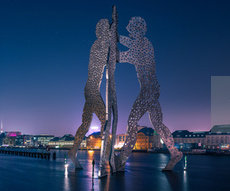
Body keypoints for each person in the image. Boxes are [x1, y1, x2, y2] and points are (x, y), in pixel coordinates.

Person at [115, 17, 183, 171]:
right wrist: (116, 37)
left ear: (137, 29)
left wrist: (113, 55)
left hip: (147, 91)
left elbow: (126, 56)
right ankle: (175, 153)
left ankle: (122, 159)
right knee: (158, 125)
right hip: (153, 90)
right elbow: (129, 44)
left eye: (130, 27)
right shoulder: (145, 43)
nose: (127, 28)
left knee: (132, 123)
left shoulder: (142, 45)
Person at [68, 19, 111, 169]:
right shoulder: (100, 46)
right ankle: (108, 155)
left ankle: (73, 151)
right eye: (106, 31)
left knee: (86, 124)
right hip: (92, 90)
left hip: (90, 89)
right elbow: (110, 59)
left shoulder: (99, 45)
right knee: (105, 122)